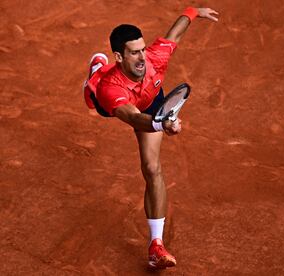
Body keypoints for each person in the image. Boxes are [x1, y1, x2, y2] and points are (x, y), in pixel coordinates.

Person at [82, 7, 219, 269]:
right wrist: (161, 123)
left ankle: (156, 246)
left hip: (152, 100)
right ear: (120, 56)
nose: (142, 56)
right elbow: (133, 118)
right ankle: (97, 69)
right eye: (134, 52)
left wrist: (193, 11)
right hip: (120, 104)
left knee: (152, 167)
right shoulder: (111, 89)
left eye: (142, 49)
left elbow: (175, 35)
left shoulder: (153, 59)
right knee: (94, 100)